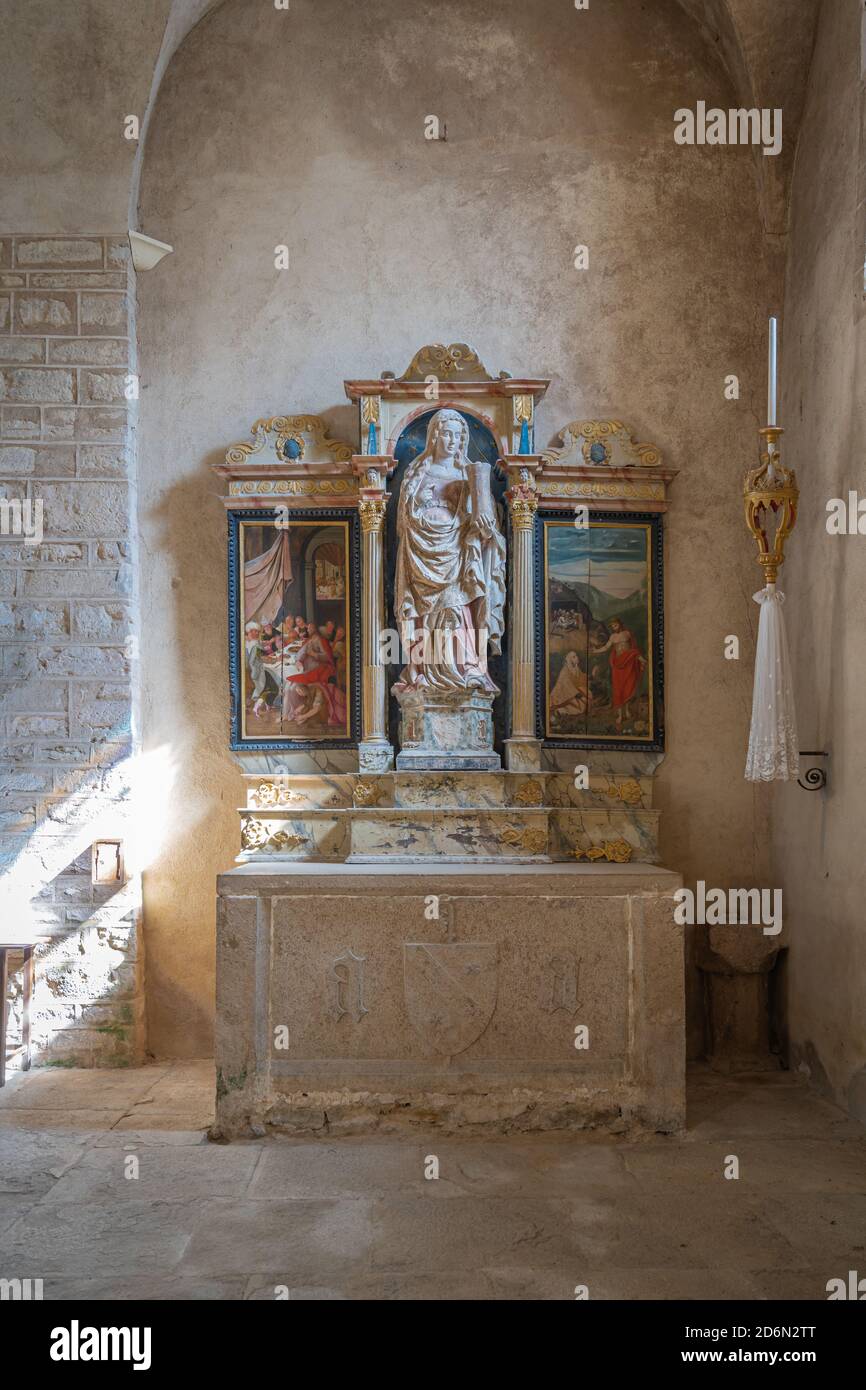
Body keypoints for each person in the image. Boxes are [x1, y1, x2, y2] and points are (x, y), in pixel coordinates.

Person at [392, 408, 505, 695]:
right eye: (447, 433)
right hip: (421, 558)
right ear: (434, 436)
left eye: (459, 435)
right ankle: (425, 675)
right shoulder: (416, 474)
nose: (454, 440)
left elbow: (488, 529)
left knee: (457, 613)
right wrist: (423, 516)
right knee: (427, 618)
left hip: (458, 557)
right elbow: (404, 523)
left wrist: (482, 525)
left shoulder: (471, 476)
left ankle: (466, 669)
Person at [591, 617, 646, 729]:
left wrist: (638, 657)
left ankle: (627, 711)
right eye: (612, 626)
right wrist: (595, 651)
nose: (614, 627)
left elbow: (633, 648)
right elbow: (606, 647)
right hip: (618, 665)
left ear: (620, 624)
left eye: (615, 625)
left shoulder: (627, 633)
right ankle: (620, 715)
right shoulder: (612, 637)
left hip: (628, 663)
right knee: (618, 689)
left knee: (628, 687)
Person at [550, 649, 591, 721]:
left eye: (576, 656)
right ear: (569, 659)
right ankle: (560, 710)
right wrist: (576, 694)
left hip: (573, 692)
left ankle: (562, 711)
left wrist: (590, 676)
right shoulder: (565, 670)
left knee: (587, 698)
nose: (577, 658)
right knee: (580, 705)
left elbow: (581, 677)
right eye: (574, 657)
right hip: (563, 694)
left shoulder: (576, 668)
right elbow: (566, 685)